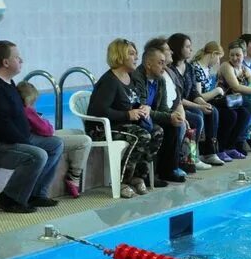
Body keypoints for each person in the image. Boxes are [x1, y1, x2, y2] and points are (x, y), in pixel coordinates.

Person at [0, 41, 64, 214]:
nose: (21, 60)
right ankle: (10, 198)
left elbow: (19, 116)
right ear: (6, 62)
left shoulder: (8, 83)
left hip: (12, 140)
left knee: (55, 144)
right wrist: (26, 142)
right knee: (36, 155)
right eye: (17, 57)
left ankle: (36, 193)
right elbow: (2, 127)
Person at [86, 38, 162, 197]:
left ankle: (138, 177)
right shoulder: (109, 81)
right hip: (102, 128)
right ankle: (121, 181)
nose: (136, 58)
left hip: (123, 125)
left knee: (157, 132)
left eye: (136, 53)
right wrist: (127, 114)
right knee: (140, 135)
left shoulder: (132, 77)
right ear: (120, 56)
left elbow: (136, 100)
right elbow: (98, 111)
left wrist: (144, 107)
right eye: (131, 54)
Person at [16, 82, 91, 198]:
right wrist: (42, 120)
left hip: (43, 136)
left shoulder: (20, 109)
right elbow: (47, 130)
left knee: (78, 132)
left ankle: (73, 172)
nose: (34, 104)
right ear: (27, 100)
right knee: (85, 141)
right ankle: (74, 177)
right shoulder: (27, 111)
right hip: (46, 139)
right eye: (32, 102)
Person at [134, 43, 189, 184]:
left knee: (175, 125)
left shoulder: (160, 80)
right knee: (158, 128)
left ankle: (167, 170)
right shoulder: (138, 78)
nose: (164, 67)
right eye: (160, 63)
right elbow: (142, 108)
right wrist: (168, 116)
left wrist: (172, 116)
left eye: (164, 63)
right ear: (148, 64)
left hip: (151, 116)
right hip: (139, 118)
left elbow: (163, 107)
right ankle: (146, 174)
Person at [166, 33, 222, 168]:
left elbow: (193, 92)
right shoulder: (170, 69)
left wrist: (202, 103)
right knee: (198, 117)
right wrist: (198, 107)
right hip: (176, 105)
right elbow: (177, 97)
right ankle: (191, 155)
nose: (191, 50)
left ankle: (209, 152)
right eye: (187, 47)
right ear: (178, 48)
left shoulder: (189, 67)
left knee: (212, 110)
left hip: (188, 102)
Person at [192, 41, 249, 161]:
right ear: (213, 54)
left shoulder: (207, 68)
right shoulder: (196, 68)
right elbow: (199, 96)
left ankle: (230, 146)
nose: (218, 62)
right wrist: (217, 91)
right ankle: (216, 150)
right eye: (218, 58)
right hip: (203, 101)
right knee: (230, 115)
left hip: (213, 99)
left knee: (244, 112)